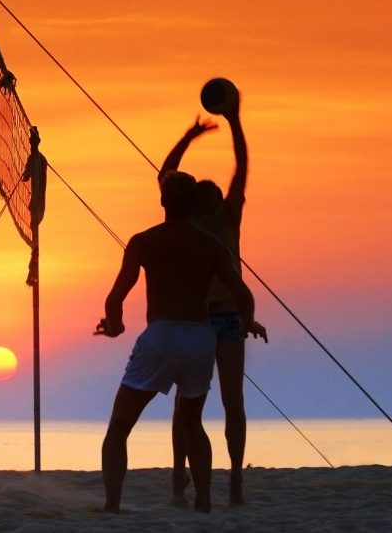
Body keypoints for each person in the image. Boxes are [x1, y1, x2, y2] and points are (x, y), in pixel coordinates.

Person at [97, 171, 256, 514]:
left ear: (162, 202)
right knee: (191, 423)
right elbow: (243, 293)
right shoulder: (212, 245)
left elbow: (115, 298)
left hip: (163, 333)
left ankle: (112, 505)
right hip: (200, 337)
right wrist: (249, 321)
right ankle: (203, 502)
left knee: (119, 426)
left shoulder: (144, 241)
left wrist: (115, 325)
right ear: (194, 206)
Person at [160, 99, 267, 506]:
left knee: (219, 402)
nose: (219, 193)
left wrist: (230, 122)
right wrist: (197, 132)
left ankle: (231, 478)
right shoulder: (191, 221)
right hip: (200, 321)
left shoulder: (223, 218)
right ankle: (181, 476)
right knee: (194, 406)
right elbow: (168, 175)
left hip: (221, 320)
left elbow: (240, 168)